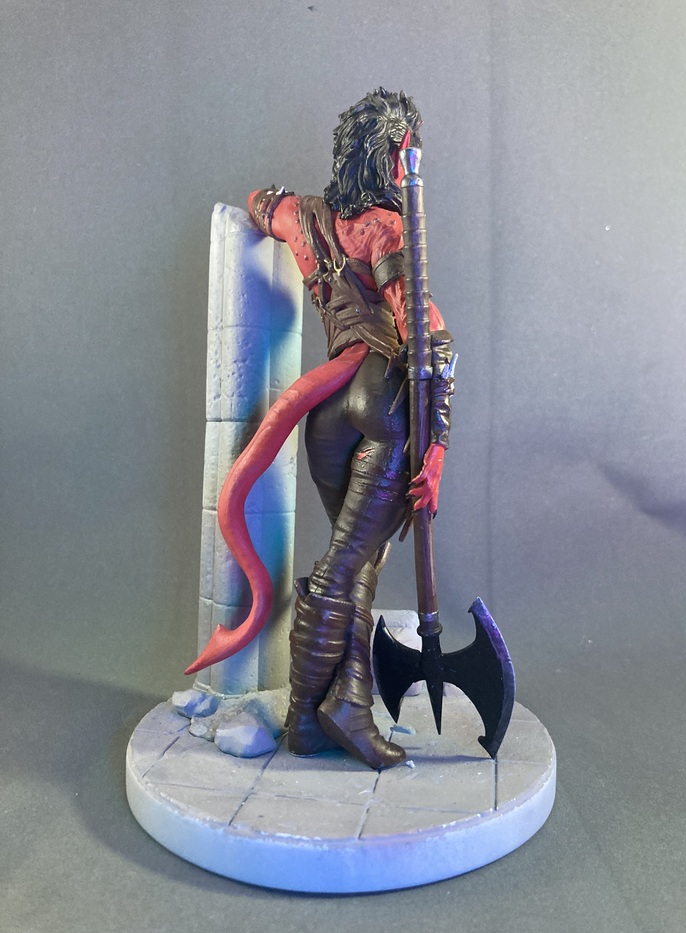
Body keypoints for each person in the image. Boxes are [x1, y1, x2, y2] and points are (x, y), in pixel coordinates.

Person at [189, 89, 455, 770]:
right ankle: (315, 716)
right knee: (344, 566)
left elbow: (260, 202)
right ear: (393, 156)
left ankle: (339, 709)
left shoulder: (306, 218)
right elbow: (425, 340)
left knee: (361, 559)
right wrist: (437, 445)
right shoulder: (387, 229)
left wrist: (270, 204)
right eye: (406, 153)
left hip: (328, 411)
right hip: (381, 401)